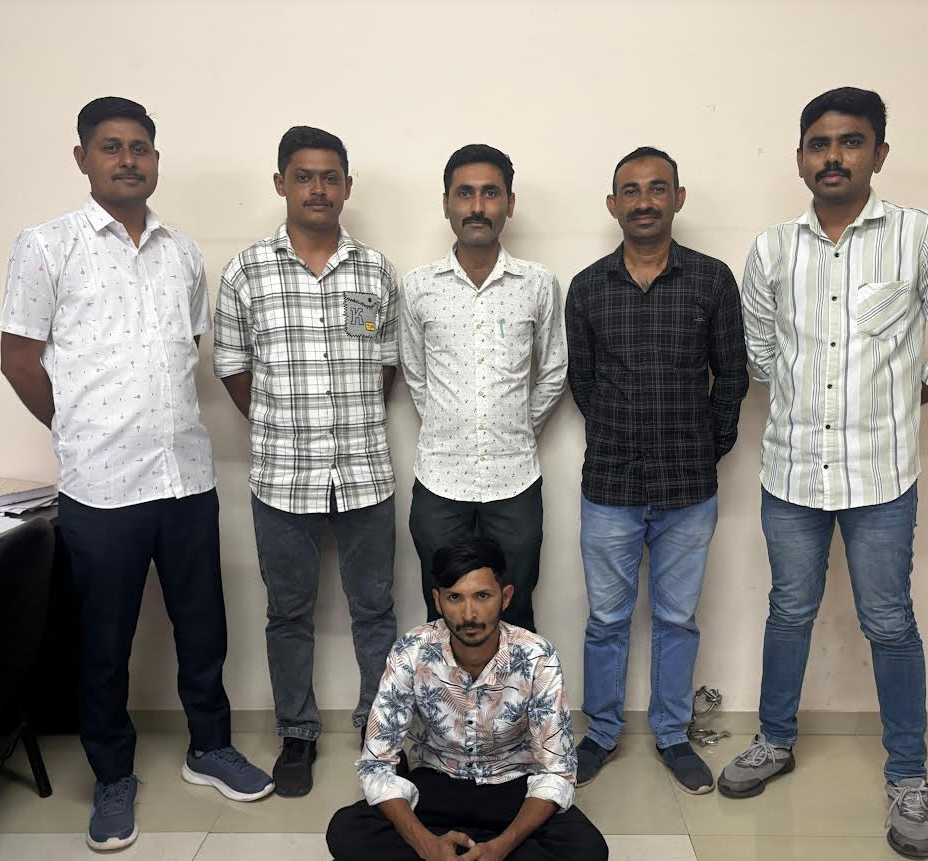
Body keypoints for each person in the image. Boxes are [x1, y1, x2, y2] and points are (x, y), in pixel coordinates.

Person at [719, 87, 928, 860]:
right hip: (790, 474)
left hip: (880, 478)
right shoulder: (772, 249)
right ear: (799, 157)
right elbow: (759, 355)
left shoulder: (918, 236)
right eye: (819, 143)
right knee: (788, 612)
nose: (832, 156)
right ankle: (774, 740)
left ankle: (907, 776)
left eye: (849, 141)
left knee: (888, 622)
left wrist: (899, 400)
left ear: (879, 153)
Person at [0, 96, 273, 852]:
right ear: (82, 158)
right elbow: (18, 359)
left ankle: (210, 746)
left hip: (184, 475)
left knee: (204, 626)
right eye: (111, 146)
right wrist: (75, 429)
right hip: (102, 485)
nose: (128, 160)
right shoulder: (46, 245)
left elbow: (188, 349)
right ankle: (112, 774)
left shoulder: (182, 251)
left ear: (155, 159)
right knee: (103, 642)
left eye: (141, 147)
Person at [213, 126, 399, 798]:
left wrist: (347, 421)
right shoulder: (246, 272)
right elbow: (233, 368)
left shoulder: (375, 272)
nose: (317, 189)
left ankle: (381, 730)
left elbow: (384, 365)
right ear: (280, 183)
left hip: (364, 474)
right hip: (282, 478)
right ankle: (297, 731)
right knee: (288, 613)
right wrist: (280, 424)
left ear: (346, 185)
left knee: (374, 610)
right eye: (303, 176)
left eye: (329, 177)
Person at [565, 147, 749, 794]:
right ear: (612, 204)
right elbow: (582, 382)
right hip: (610, 485)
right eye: (631, 190)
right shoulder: (587, 288)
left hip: (687, 489)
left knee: (676, 619)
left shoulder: (711, 281)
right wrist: (619, 434)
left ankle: (672, 735)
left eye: (657, 188)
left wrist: (705, 446)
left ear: (678, 197)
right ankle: (601, 732)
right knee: (605, 621)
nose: (644, 201)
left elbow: (731, 376)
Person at [319, 537, 608, 861]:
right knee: (345, 832)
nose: (469, 614)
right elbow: (377, 764)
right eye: (455, 597)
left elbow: (557, 772)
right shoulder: (412, 651)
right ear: (438, 600)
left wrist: (497, 851)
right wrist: (428, 846)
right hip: (437, 780)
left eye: (482, 596)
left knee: (587, 851)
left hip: (511, 783)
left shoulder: (537, 656)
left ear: (505, 597)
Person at [399, 144, 567, 633]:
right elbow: (415, 372)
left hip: (515, 478)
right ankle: (445, 689)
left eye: (490, 193)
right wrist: (452, 423)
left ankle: (514, 689)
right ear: (446, 203)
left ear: (509, 203)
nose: (477, 206)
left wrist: (514, 426)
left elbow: (554, 369)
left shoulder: (537, 283)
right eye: (465, 193)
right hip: (440, 478)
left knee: (514, 609)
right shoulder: (418, 286)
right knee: (444, 613)